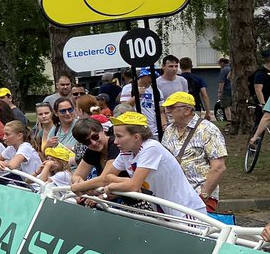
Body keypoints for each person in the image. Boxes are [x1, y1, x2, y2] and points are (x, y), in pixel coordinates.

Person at [72, 111, 207, 218]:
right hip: (164, 210)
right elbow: (106, 178)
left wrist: (111, 186)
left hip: (186, 209)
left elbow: (133, 185)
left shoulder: (150, 147)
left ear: (136, 137)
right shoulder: (126, 151)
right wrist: (76, 188)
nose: (115, 141)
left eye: (119, 136)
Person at [160, 91, 227, 217]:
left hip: (199, 196)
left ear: (186, 110)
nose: (167, 111)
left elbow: (218, 167)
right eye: (166, 108)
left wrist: (204, 196)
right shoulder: (169, 130)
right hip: (173, 196)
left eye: (171, 108)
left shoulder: (208, 129)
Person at [215, 57, 232, 121]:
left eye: (219, 63)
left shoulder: (224, 70)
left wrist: (219, 92)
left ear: (222, 63)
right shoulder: (231, 69)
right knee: (231, 106)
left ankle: (229, 120)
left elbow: (222, 82)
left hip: (226, 91)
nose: (219, 65)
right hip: (233, 90)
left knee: (226, 106)